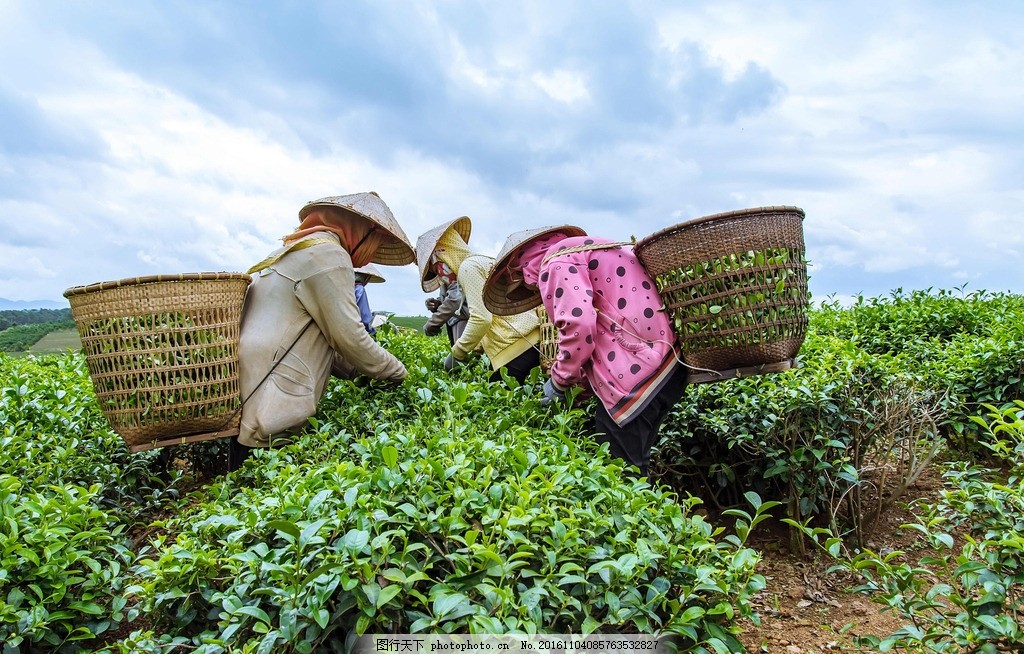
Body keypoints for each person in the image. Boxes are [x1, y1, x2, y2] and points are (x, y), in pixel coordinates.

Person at [483, 226, 688, 477]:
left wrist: (559, 381)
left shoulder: (555, 262)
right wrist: (582, 386)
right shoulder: (585, 250)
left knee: (618, 474)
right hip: (667, 363)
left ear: (517, 268)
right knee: (635, 464)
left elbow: (578, 325)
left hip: (636, 372)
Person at [231, 192, 415, 470]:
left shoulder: (290, 251)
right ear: (362, 231)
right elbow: (350, 337)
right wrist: (398, 371)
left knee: (241, 488)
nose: (370, 256)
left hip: (246, 395)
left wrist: (357, 374)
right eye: (375, 244)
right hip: (274, 405)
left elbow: (321, 336)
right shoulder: (329, 254)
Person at [416, 216, 542, 384]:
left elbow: (482, 319)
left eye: (436, 267)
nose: (439, 274)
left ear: (443, 254)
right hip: (525, 342)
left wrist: (457, 353)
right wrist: (477, 347)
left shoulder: (469, 268)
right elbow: (493, 314)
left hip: (515, 348)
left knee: (498, 401)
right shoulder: (480, 262)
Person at [422, 279, 470, 346]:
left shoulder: (456, 273)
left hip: (465, 323)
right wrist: (438, 304)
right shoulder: (443, 278)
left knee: (463, 353)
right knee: (458, 353)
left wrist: (433, 323)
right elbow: (449, 298)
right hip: (456, 322)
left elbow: (454, 300)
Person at [353, 263, 386, 337]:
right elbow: (365, 320)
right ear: (365, 278)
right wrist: (373, 333)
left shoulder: (342, 287)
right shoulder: (359, 289)